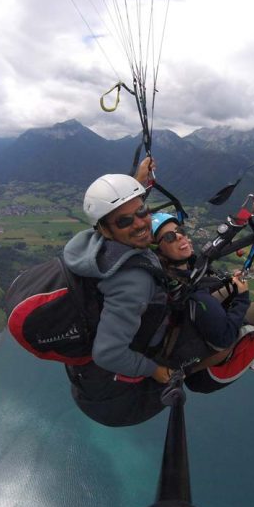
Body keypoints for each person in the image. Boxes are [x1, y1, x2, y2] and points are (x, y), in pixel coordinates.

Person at [61, 168, 175, 427]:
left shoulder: (88, 246)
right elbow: (108, 354)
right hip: (117, 401)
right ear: (105, 229)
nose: (139, 223)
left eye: (142, 211)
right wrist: (154, 371)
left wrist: (134, 181)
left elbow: (119, 212)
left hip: (85, 382)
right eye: (124, 222)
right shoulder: (133, 281)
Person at [150, 212, 254, 388]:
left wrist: (228, 285)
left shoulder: (172, 275)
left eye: (180, 230)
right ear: (159, 250)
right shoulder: (193, 292)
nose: (180, 236)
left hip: (188, 325)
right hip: (207, 365)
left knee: (231, 289)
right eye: (170, 237)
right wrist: (242, 298)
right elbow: (225, 338)